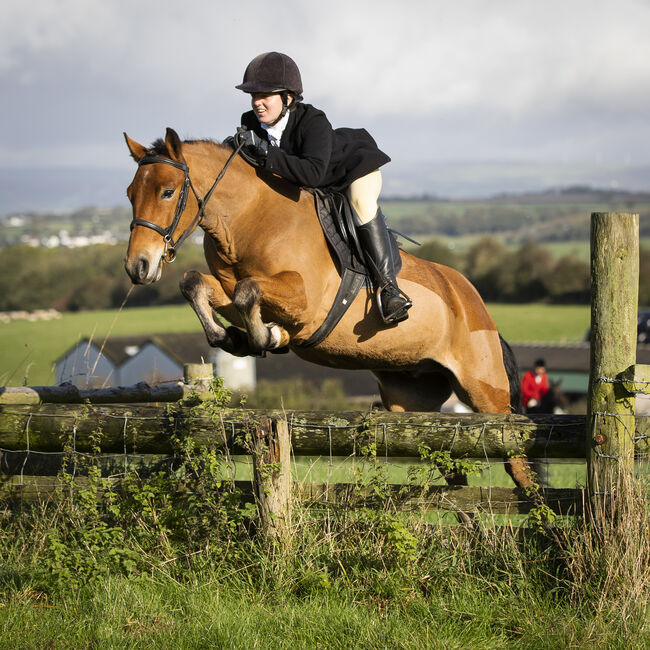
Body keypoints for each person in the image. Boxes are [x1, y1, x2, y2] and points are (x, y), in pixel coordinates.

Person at [232, 51, 412, 324]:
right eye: (254, 96)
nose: (257, 103)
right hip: (315, 184)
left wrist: (267, 155)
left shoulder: (313, 120)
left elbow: (313, 174)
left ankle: (389, 289)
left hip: (352, 171)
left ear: (288, 97)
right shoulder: (251, 122)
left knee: (361, 205)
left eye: (264, 96)